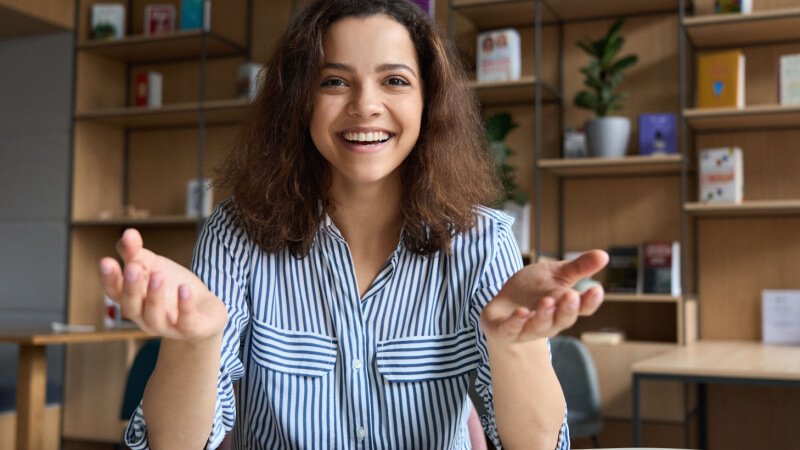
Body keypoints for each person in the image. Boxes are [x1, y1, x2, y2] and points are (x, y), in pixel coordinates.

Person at [98, 0, 608, 448]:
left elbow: (536, 445)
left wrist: (514, 347)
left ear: (428, 102)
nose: (366, 105)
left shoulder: (483, 240)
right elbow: (174, 444)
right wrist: (195, 343)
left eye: (395, 81)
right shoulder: (236, 234)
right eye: (335, 81)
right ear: (300, 102)